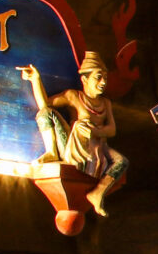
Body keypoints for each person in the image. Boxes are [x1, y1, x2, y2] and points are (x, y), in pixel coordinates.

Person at [19, 52, 130, 219]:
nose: (103, 82)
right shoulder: (74, 97)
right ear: (85, 80)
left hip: (99, 149)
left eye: (105, 77)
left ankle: (98, 193)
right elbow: (44, 105)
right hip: (74, 149)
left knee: (122, 162)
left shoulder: (105, 103)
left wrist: (95, 132)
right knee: (47, 114)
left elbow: (111, 130)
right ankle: (52, 151)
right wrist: (35, 79)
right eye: (98, 77)